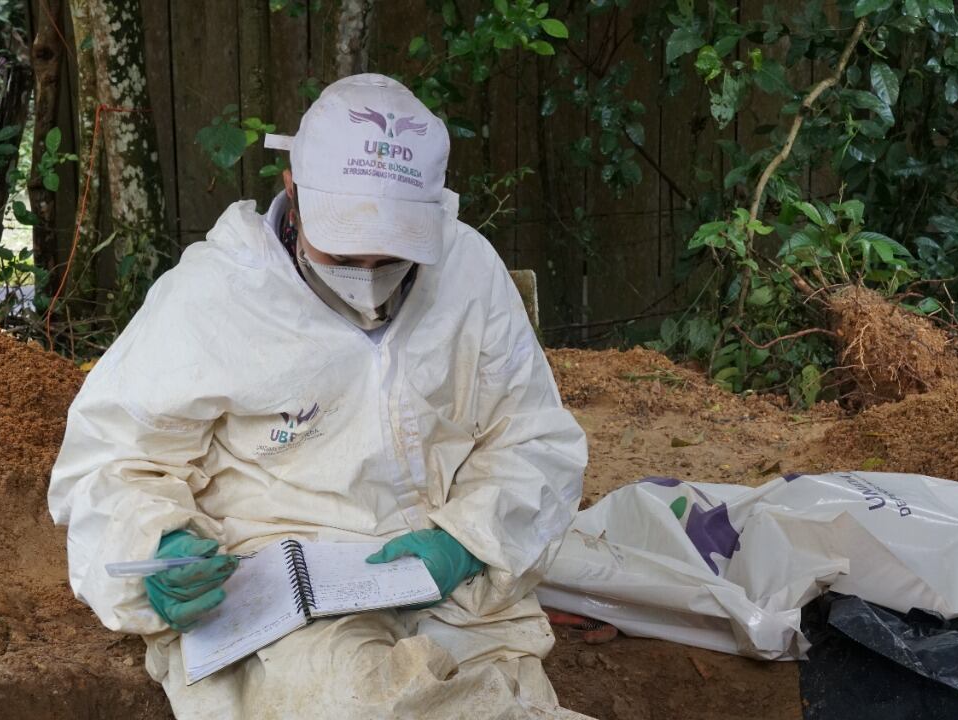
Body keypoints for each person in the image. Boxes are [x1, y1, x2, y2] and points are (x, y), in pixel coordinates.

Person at [47, 73, 589, 719]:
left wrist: (467, 541)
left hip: (454, 585)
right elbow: (107, 460)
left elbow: (534, 438)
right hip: (279, 595)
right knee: (357, 704)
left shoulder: (469, 271)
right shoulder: (214, 294)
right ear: (292, 190)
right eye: (344, 251)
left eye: (389, 256)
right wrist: (154, 544)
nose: (367, 276)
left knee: (508, 699)